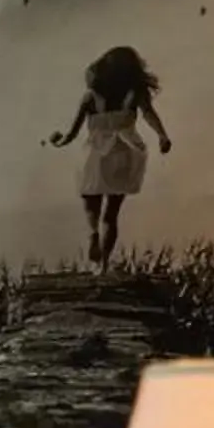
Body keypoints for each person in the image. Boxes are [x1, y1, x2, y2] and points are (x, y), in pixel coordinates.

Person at [49, 45, 172, 266]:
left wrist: (59, 140)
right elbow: (150, 116)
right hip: (124, 152)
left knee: (91, 202)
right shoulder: (135, 94)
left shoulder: (90, 98)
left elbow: (71, 133)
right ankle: (103, 264)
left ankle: (92, 233)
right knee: (111, 214)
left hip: (95, 154)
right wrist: (162, 136)